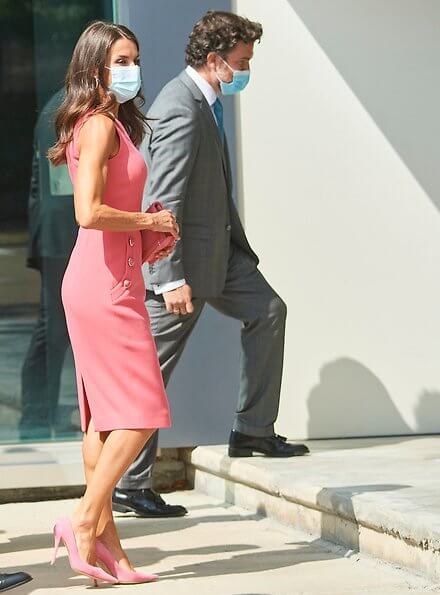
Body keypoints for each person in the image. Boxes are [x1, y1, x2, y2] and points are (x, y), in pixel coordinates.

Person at [113, 10, 309, 518]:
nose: (246, 71)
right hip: (183, 265)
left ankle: (253, 431)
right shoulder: (180, 107)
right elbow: (163, 197)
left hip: (221, 255)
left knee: (268, 310)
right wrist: (169, 276)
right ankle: (129, 484)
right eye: (242, 62)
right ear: (216, 60)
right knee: (151, 371)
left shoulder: (205, 100)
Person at [47, 21, 178, 585]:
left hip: (110, 279)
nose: (132, 69)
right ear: (95, 67)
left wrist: (148, 236)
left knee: (103, 422)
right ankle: (83, 519)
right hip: (102, 289)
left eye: (135, 59)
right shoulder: (99, 124)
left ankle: (109, 548)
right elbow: (88, 212)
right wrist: (148, 220)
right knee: (143, 411)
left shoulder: (110, 122)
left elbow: (109, 213)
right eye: (121, 61)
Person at [20, 89, 78, 441]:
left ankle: (41, 415)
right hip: (61, 236)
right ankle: (36, 419)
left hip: (60, 233)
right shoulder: (63, 108)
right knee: (53, 329)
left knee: (55, 329)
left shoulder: (64, 105)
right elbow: (61, 185)